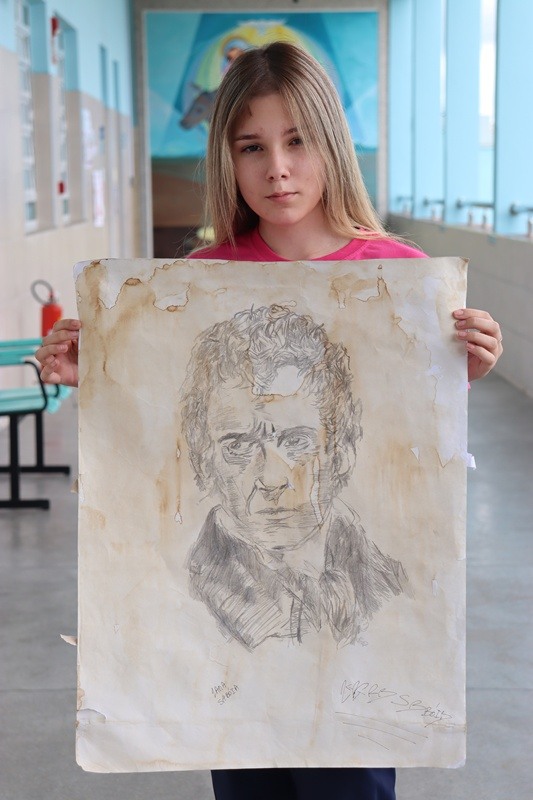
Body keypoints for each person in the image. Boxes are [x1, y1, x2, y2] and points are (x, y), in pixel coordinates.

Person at [36, 41, 503, 800]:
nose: (277, 169)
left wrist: (458, 376)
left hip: (362, 672)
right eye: (251, 147)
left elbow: (414, 458)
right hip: (228, 669)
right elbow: (152, 442)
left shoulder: (400, 277)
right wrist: (96, 375)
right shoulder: (195, 284)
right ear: (226, 159)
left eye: (297, 141)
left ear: (332, 145)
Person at [182, 304, 408, 651]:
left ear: (341, 452)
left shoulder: (389, 584)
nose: (271, 479)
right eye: (239, 446)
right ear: (203, 459)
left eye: (296, 441)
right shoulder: (185, 597)